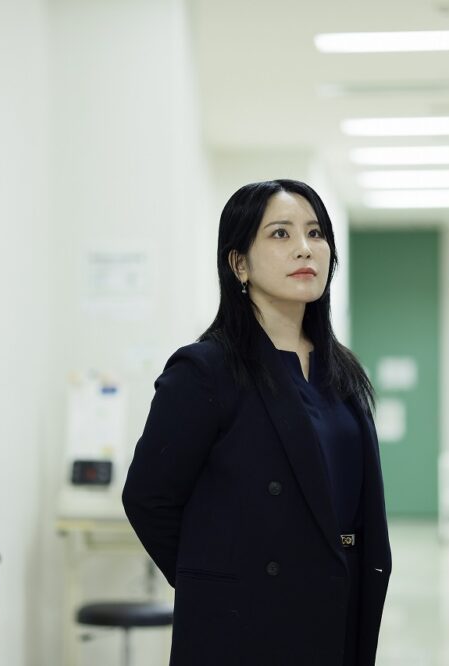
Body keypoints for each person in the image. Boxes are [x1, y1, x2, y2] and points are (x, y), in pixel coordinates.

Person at [122, 179, 391, 666]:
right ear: (239, 263)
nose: (305, 248)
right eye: (280, 234)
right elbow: (148, 498)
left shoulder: (343, 372)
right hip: (245, 629)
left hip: (337, 611)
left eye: (315, 233)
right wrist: (220, 583)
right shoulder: (206, 370)